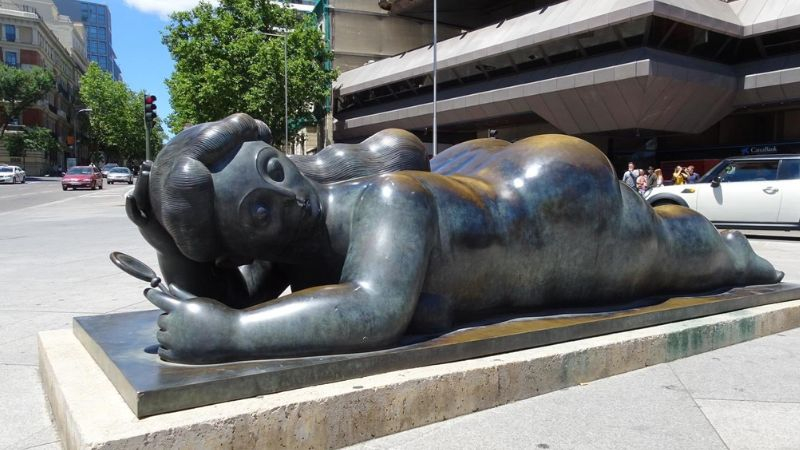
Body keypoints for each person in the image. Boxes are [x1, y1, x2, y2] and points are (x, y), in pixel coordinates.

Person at [128, 114, 783, 363]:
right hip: (492, 180)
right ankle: (725, 250)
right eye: (260, 215)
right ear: (245, 243)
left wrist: (233, 336)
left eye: (273, 170)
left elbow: (372, 311)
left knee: (672, 254)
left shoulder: (383, 200)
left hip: (559, 211)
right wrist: (164, 240)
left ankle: (739, 252)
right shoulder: (288, 249)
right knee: (665, 249)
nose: (287, 198)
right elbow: (236, 294)